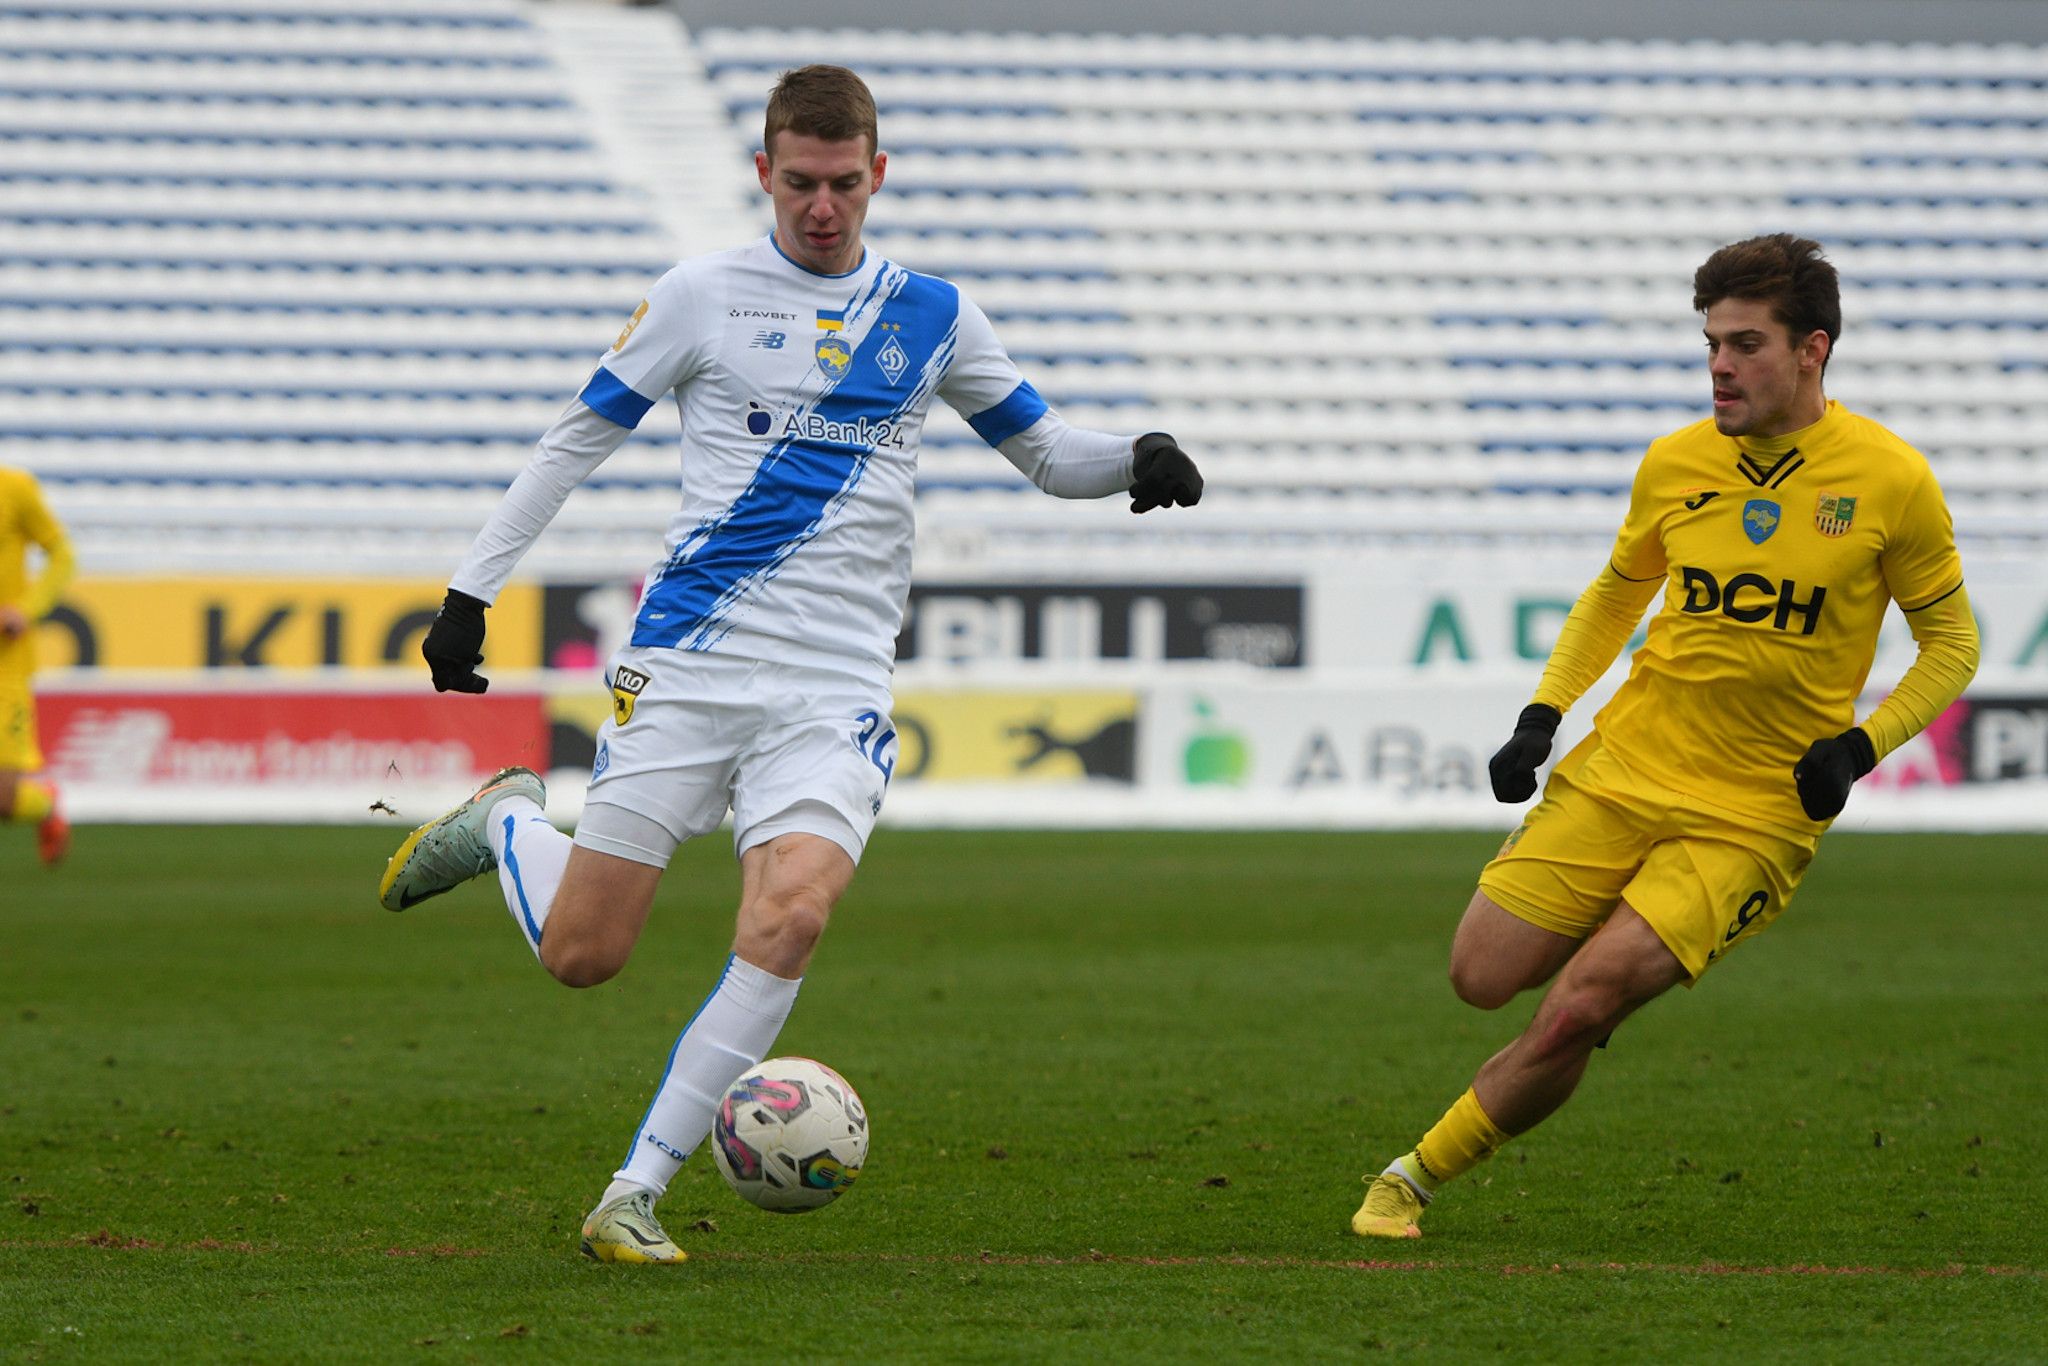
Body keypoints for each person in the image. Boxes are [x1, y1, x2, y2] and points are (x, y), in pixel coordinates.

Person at [377, 65, 1203, 1264]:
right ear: (764, 173)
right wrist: (469, 592)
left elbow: (1044, 451)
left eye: (846, 184)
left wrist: (1135, 456)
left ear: (879, 174)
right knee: (584, 957)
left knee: (793, 915)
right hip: (691, 662)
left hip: (833, 685)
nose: (824, 207)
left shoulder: (932, 314)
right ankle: (510, 823)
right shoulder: (699, 296)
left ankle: (633, 1192)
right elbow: (573, 441)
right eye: (802, 184)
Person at [1351, 234, 1980, 1239]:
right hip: (1629, 763)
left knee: (1574, 1005)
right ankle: (1585, 1011)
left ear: (1810, 350)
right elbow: (1615, 594)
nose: (1718, 366)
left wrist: (1857, 749)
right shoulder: (1674, 462)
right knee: (1479, 974)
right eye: (1708, 345)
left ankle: (1410, 1179)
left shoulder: (1888, 479)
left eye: (1743, 344)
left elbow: (1950, 643)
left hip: (1754, 811)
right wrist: (1540, 714)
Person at [0, 463, 76, 867]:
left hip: (4, 666)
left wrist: (24, 610)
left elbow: (63, 555)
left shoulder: (14, 489)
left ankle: (45, 803)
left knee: (5, 801)